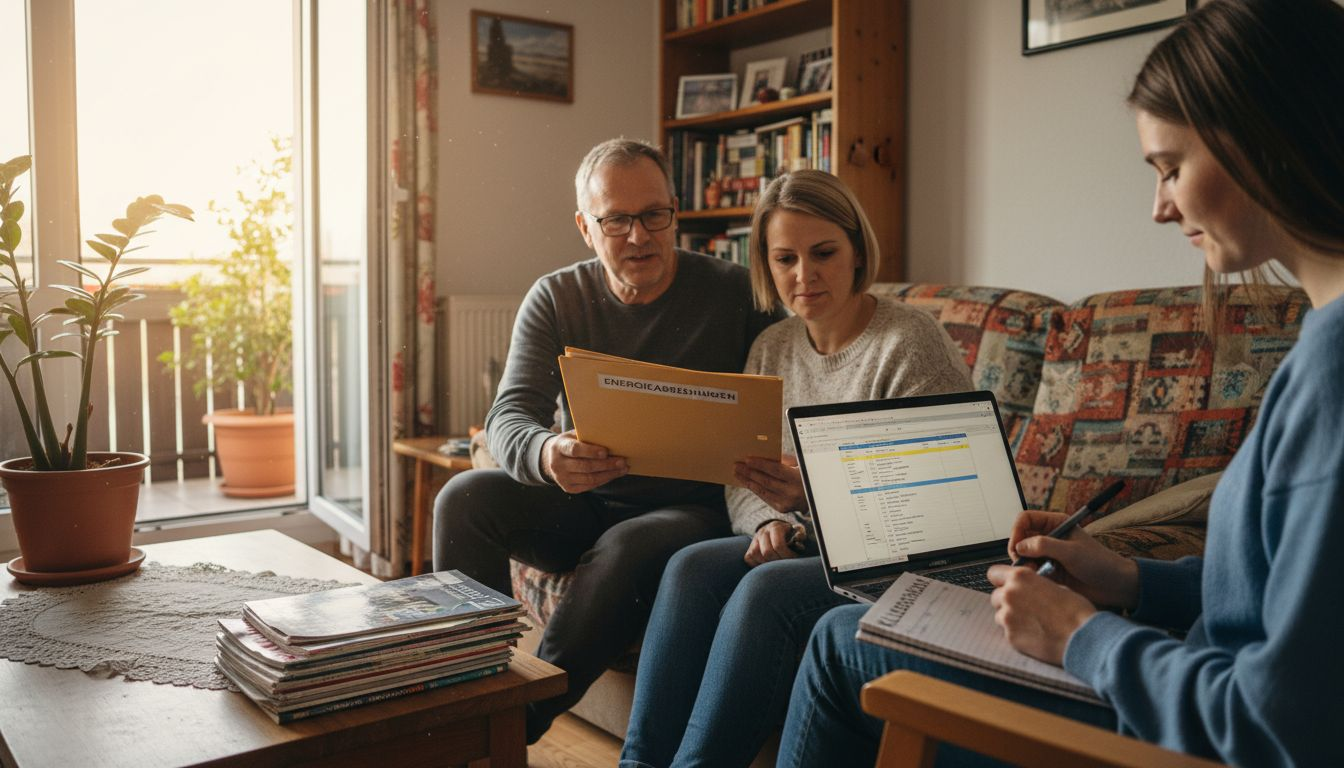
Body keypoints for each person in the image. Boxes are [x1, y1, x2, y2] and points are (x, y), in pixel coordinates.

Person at [776, 1, 1344, 766]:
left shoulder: (1332, 378)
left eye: (1171, 168)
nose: (1159, 207)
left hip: (1182, 736)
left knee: (842, 642)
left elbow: (1280, 731)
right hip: (1186, 692)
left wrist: (1082, 635)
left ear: (1268, 140)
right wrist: (1132, 580)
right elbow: (1276, 599)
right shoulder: (1321, 345)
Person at [432, 138, 781, 743]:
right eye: (616, 220)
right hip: (583, 498)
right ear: (585, 228)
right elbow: (509, 415)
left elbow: (794, 387)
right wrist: (546, 454)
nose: (639, 236)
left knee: (627, 545)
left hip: (692, 510)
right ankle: (467, 694)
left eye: (654, 215)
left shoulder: (738, 294)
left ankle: (503, 728)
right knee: (462, 499)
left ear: (675, 212)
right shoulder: (556, 297)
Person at [619, 170, 972, 768]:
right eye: (785, 258)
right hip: (809, 543)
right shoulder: (773, 347)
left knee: (767, 590)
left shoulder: (909, 342)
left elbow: (935, 502)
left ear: (857, 250)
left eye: (823, 253)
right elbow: (743, 475)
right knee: (690, 567)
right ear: (766, 264)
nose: (804, 275)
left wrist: (810, 500)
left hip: (901, 560)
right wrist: (768, 523)